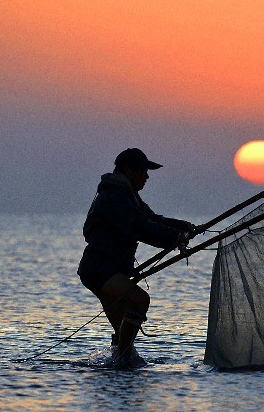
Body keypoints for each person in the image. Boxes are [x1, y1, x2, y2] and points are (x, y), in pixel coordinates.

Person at [78, 148, 194, 367]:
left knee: (122, 330)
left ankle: (120, 369)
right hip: (100, 270)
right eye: (143, 171)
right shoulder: (115, 196)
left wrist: (184, 227)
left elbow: (151, 219)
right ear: (128, 170)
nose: (147, 176)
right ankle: (122, 361)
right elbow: (140, 227)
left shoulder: (127, 195)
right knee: (140, 300)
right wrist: (175, 238)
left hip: (109, 269)